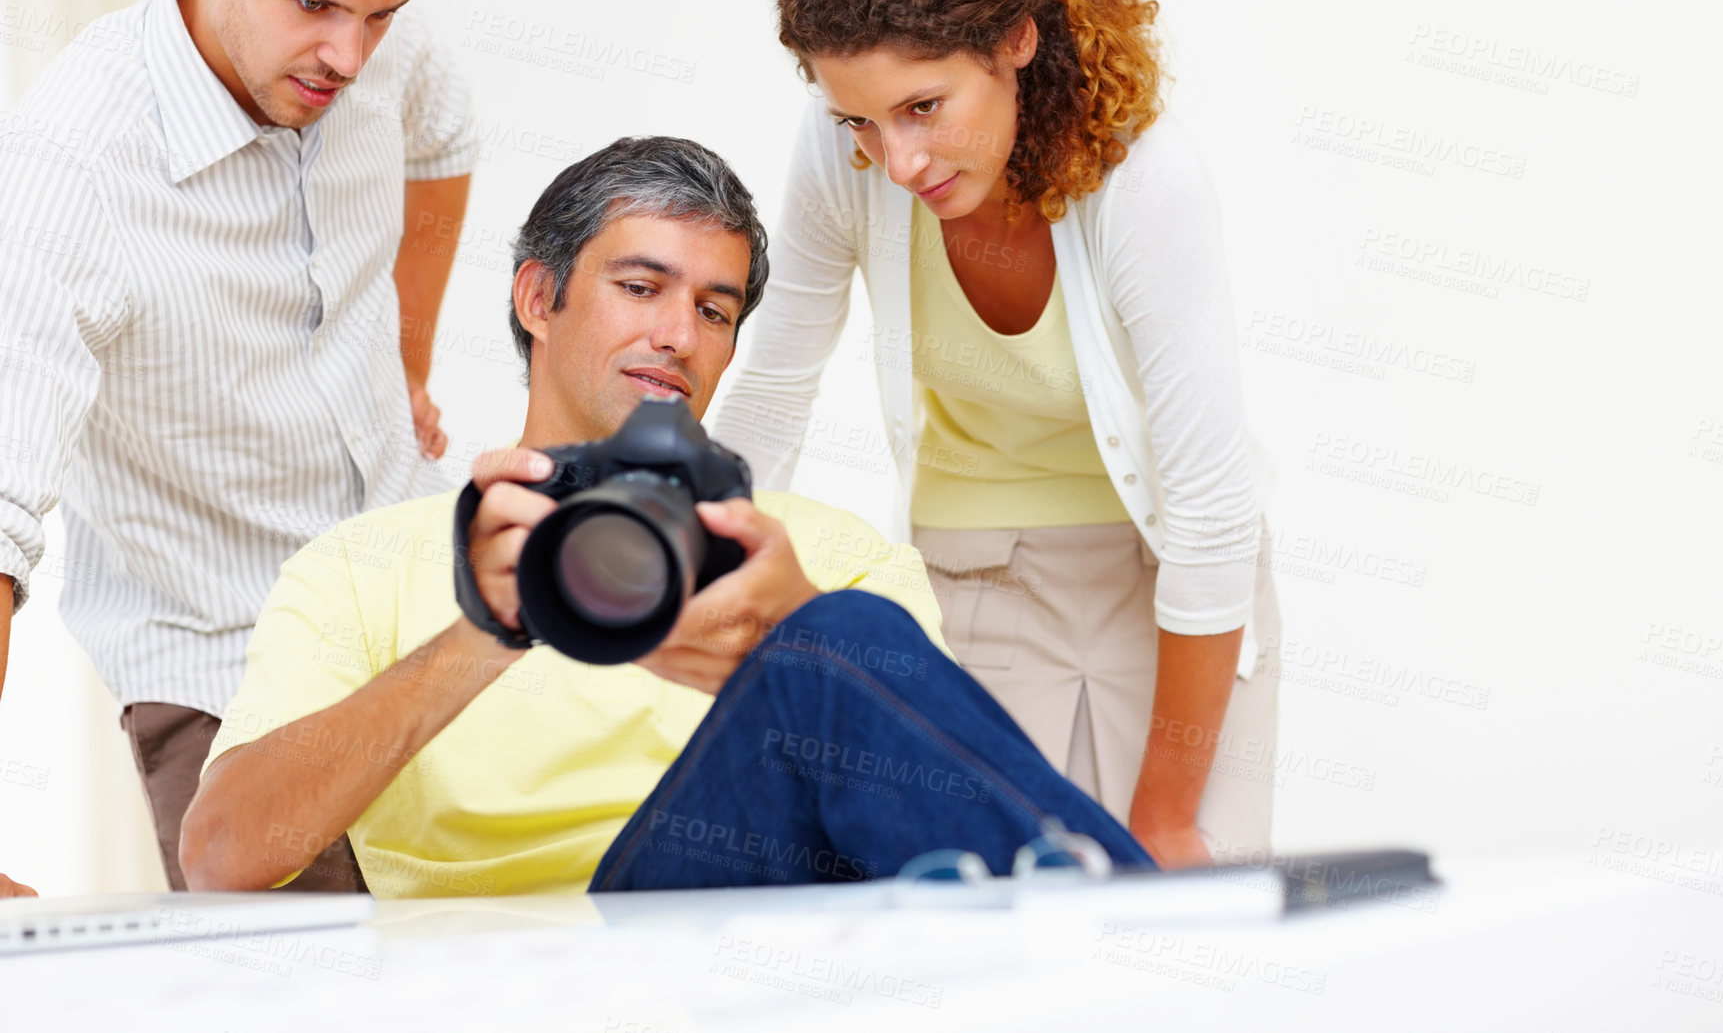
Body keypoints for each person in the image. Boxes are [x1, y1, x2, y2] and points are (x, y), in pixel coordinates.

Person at [178, 137, 1154, 895]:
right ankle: (1151, 938)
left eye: (716, 309)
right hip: (526, 981)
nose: (678, 335)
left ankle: (1120, 943)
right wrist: (492, 623)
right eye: (640, 286)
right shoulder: (363, 564)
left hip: (763, 951)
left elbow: (946, 793)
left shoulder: (817, 559)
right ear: (538, 296)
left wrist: (783, 637)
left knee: (840, 631)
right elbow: (223, 852)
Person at [710, 0, 1281, 869]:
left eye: (924, 107)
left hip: (1178, 592)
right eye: (860, 121)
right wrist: (691, 554)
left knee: (1182, 932)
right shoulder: (842, 151)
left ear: (1013, 42)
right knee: (1000, 944)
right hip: (972, 582)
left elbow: (1211, 506)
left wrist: (1166, 813)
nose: (897, 160)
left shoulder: (1145, 180)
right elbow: (775, 383)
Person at [0, 0, 475, 897]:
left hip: (422, 598)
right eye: (311, 7)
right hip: (227, 666)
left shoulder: (379, 42)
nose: (349, 57)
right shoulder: (68, 165)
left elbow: (441, 138)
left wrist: (408, 357)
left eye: (378, 14)